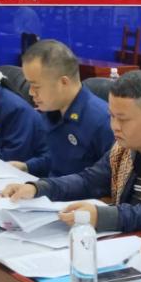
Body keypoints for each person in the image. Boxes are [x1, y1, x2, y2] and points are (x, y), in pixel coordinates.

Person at [3, 71, 141, 233]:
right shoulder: (124, 145)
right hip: (133, 238)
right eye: (112, 116)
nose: (115, 126)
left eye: (123, 119)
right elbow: (89, 181)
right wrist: (39, 188)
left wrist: (103, 216)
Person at [17, 39, 114, 178]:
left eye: (36, 86)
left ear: (63, 82)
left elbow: (105, 180)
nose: (31, 92)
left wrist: (43, 187)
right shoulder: (52, 110)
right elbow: (57, 161)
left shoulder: (103, 122)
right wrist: (26, 167)